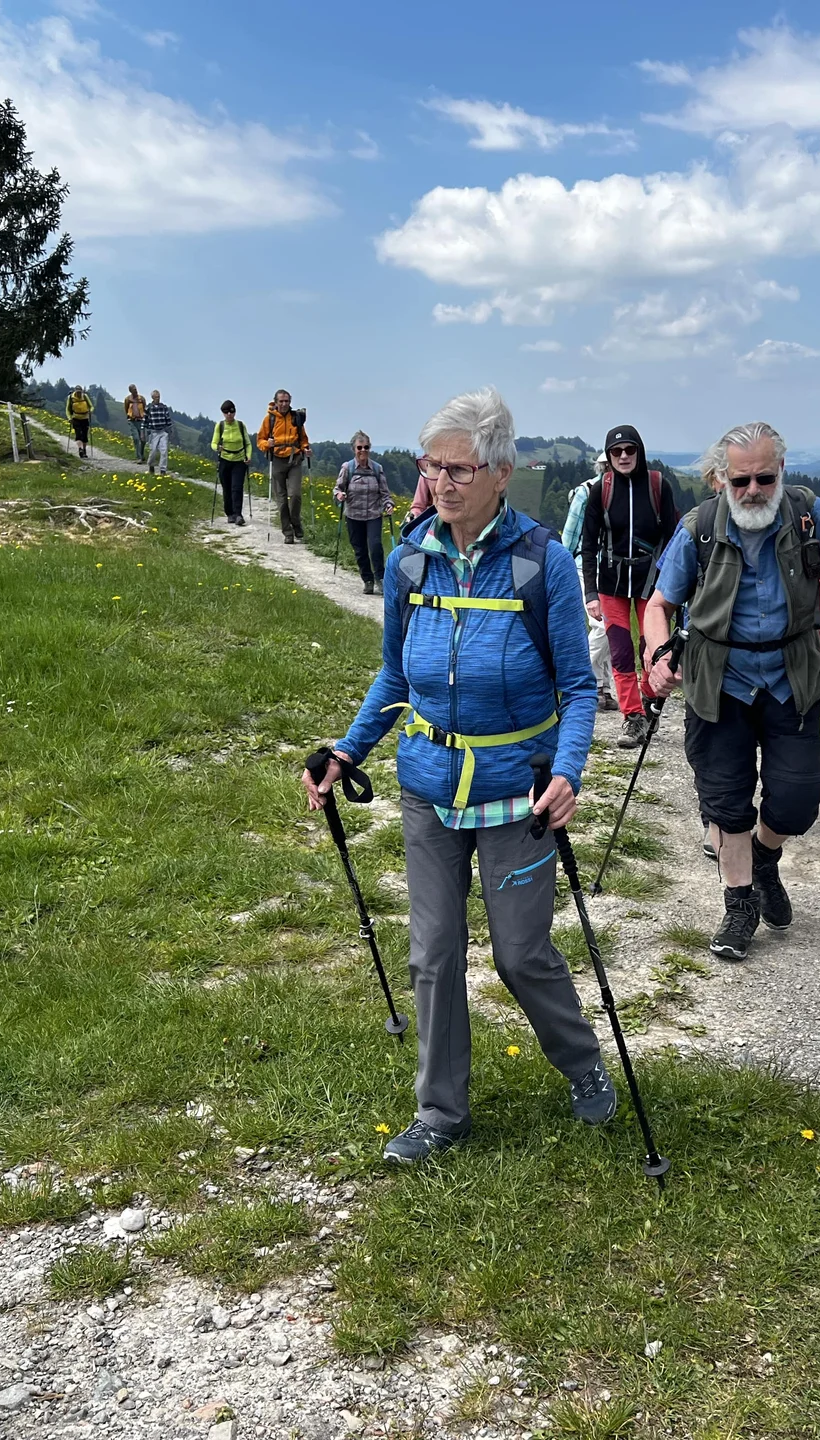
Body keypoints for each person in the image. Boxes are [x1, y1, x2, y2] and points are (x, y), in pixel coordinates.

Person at [303, 387, 612, 1165]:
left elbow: (579, 687)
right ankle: (441, 1112)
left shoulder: (543, 562)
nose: (442, 482)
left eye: (460, 470)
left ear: (502, 473)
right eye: (433, 467)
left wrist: (567, 771)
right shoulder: (411, 561)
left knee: (520, 953)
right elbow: (393, 676)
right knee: (433, 952)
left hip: (517, 789)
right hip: (430, 786)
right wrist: (348, 750)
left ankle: (580, 1062)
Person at [643, 421, 820, 962]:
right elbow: (660, 606)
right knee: (725, 798)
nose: (752, 491)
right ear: (722, 478)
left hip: (791, 672)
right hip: (717, 677)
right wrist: (657, 656)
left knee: (797, 799)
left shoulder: (808, 515)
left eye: (763, 479)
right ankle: (740, 902)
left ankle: (766, 857)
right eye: (740, 479)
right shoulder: (699, 526)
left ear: (781, 472)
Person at [581, 426, 680, 748]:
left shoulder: (657, 485)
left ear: (639, 451)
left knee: (652, 650)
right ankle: (632, 717)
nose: (623, 456)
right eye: (616, 451)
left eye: (629, 450)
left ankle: (650, 701)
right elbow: (588, 543)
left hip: (650, 584)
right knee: (621, 652)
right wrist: (591, 593)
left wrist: (670, 581)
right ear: (609, 456)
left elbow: (674, 535)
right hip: (611, 585)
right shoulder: (601, 490)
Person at [561, 463, 615, 708]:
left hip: (615, 568)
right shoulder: (586, 491)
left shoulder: (624, 491)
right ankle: (580, 681)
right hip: (586, 565)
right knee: (604, 626)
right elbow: (570, 532)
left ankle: (601, 688)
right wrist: (562, 564)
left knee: (606, 629)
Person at [334, 431, 393, 593]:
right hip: (353, 515)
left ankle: (380, 578)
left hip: (373, 514)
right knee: (359, 549)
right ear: (354, 449)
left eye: (366, 447)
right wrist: (339, 495)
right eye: (359, 447)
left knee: (375, 546)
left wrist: (388, 504)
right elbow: (338, 488)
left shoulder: (376, 468)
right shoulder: (348, 468)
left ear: (370, 448)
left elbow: (385, 492)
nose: (363, 450)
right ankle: (367, 579)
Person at [258, 390, 310, 544]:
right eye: (281, 401)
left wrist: (306, 448)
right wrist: (268, 444)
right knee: (281, 500)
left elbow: (303, 438)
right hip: (277, 460)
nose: (284, 404)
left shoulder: (296, 417)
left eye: (286, 401)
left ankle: (296, 522)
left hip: (294, 459)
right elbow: (260, 440)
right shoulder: (270, 419)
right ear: (276, 402)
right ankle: (288, 532)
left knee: (295, 495)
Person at [212, 401, 253, 527]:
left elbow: (248, 443)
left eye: (231, 411)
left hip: (239, 460)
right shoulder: (220, 426)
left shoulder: (240, 425)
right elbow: (213, 443)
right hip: (225, 460)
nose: (229, 414)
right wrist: (217, 448)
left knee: (237, 487)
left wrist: (249, 456)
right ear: (223, 413)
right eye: (226, 412)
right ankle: (229, 513)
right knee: (227, 488)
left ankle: (238, 515)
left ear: (235, 412)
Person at [143, 390, 172, 476]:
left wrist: (170, 430)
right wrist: (143, 432)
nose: (158, 399)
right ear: (152, 398)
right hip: (153, 432)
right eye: (156, 397)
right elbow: (145, 421)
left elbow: (168, 419)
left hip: (163, 431)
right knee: (153, 451)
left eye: (158, 397)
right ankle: (151, 466)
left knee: (164, 451)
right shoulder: (149, 408)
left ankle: (163, 470)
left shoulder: (164, 407)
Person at [65, 385, 94, 459]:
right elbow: (68, 409)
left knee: (84, 435)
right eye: (77, 392)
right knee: (78, 434)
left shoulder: (85, 396)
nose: (79, 394)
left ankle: (84, 450)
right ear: (75, 391)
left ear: (82, 391)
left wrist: (90, 411)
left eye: (80, 392)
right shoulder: (71, 397)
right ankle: (80, 449)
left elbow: (91, 406)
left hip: (85, 417)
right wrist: (69, 418)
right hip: (75, 418)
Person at [123, 385, 148, 461]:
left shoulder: (142, 399)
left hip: (141, 421)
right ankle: (138, 457)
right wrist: (129, 416)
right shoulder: (127, 399)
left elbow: (144, 407)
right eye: (133, 390)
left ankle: (141, 454)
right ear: (130, 391)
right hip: (132, 421)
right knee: (136, 438)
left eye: (136, 389)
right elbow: (126, 408)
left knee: (143, 440)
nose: (135, 391)